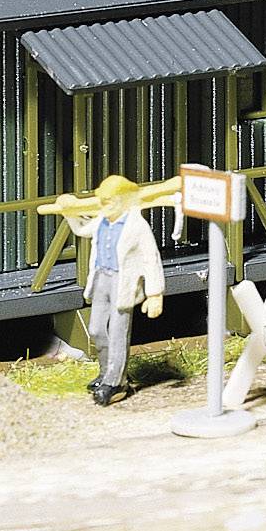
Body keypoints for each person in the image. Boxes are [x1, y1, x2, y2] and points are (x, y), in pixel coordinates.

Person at [64, 174, 166, 406]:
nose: (104, 203)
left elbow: (151, 259)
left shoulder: (137, 226)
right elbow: (82, 230)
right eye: (102, 199)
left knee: (119, 333)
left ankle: (116, 382)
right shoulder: (102, 219)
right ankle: (106, 372)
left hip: (123, 282)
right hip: (101, 277)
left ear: (123, 200)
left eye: (108, 199)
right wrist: (69, 211)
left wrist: (155, 294)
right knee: (96, 328)